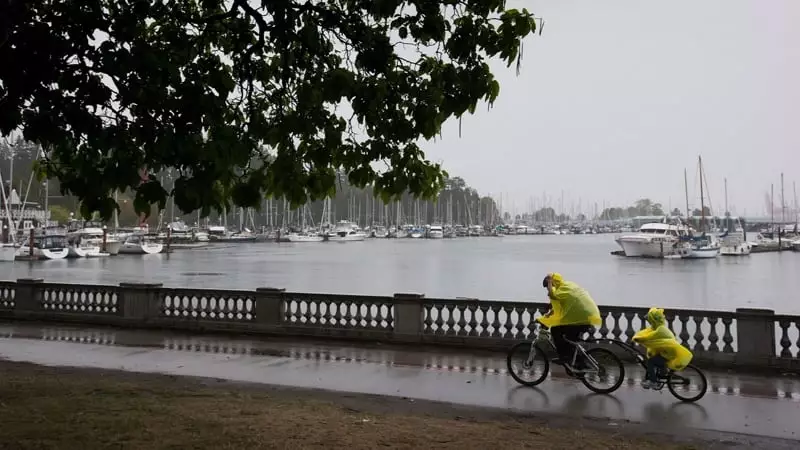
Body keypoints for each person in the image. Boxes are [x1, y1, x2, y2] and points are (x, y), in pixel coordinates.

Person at [537, 273, 602, 372]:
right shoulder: (568, 286)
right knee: (571, 341)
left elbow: (552, 295)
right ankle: (579, 363)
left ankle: (564, 357)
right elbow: (560, 307)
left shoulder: (561, 289)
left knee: (555, 330)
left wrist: (549, 282)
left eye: (549, 286)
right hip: (589, 317)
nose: (549, 288)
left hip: (581, 319)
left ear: (553, 283)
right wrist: (548, 314)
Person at [632, 307, 693, 389]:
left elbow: (649, 336)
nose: (649, 321)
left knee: (651, 362)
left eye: (650, 319)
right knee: (656, 360)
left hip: (668, 353)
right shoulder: (659, 327)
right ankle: (662, 373)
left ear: (654, 319)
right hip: (666, 351)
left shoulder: (660, 330)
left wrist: (638, 339)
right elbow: (646, 332)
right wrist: (637, 336)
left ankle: (653, 382)